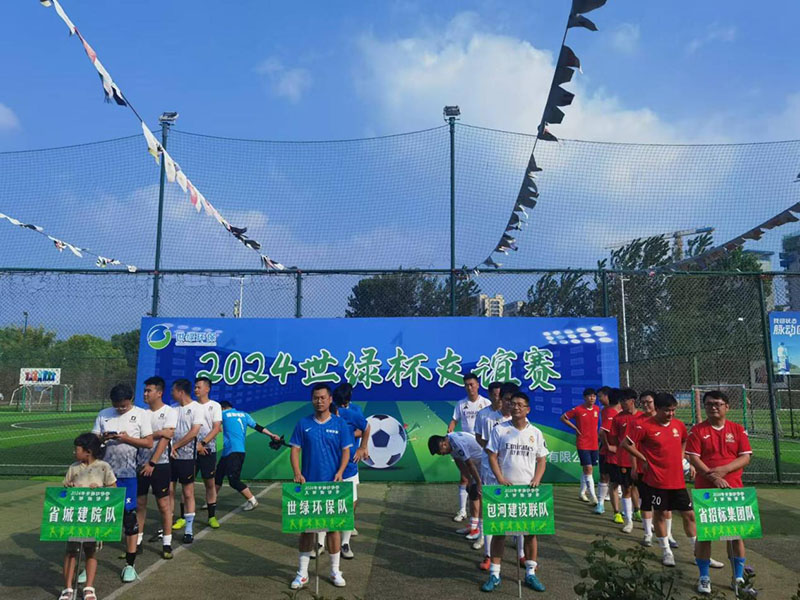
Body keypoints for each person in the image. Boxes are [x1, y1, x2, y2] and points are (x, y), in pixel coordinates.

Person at [685, 390, 753, 596]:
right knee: (705, 535)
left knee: (736, 535)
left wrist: (724, 470)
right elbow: (694, 458)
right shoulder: (697, 431)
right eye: (709, 404)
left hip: (733, 490)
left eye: (718, 404)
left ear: (727, 407)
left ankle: (738, 577)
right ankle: (704, 577)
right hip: (707, 492)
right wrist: (714, 478)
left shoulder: (737, 429)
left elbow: (745, 457)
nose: (713, 407)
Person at [481, 392, 549, 593]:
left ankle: (531, 573)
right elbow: (492, 456)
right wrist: (500, 478)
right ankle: (495, 574)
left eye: (520, 404)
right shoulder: (500, 429)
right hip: (504, 490)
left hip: (528, 490)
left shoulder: (535, 433)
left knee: (530, 533)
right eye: (513, 404)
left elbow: (542, 459)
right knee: (500, 533)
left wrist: (537, 479)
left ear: (528, 409)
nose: (516, 407)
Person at [289, 383, 354, 590]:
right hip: (308, 485)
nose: (319, 401)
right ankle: (302, 574)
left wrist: (341, 471)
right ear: (312, 400)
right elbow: (295, 450)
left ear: (330, 399)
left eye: (323, 397)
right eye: (316, 398)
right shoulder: (303, 423)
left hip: (332, 486)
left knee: (333, 529)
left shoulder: (340, 424)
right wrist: (297, 472)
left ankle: (335, 571)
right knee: (307, 530)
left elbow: (346, 451)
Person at [622, 392, 696, 567]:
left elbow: (684, 440)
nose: (671, 414)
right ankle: (666, 551)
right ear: (658, 409)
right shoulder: (644, 426)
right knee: (660, 514)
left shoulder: (678, 425)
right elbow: (625, 444)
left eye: (673, 410)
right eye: (667, 410)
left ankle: (698, 552)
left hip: (677, 480)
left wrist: (682, 457)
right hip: (657, 480)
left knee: (689, 515)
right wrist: (643, 459)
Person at [91, 383, 153, 583]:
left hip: (127, 474)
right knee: (97, 517)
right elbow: (92, 442)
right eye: (116, 405)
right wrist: (103, 438)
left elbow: (148, 442)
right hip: (102, 474)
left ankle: (130, 565)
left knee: (129, 518)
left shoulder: (141, 414)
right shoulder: (104, 414)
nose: (119, 408)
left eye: (123, 406)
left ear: (131, 400)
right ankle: (89, 564)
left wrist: (126, 439)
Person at [60, 433, 116, 600]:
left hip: (93, 517)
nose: (74, 452)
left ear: (88, 451)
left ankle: (89, 587)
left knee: (90, 551)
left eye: (77, 449)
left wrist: (100, 490)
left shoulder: (103, 467)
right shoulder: (74, 468)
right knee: (71, 551)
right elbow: (62, 492)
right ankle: (67, 588)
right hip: (76, 516)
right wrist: (68, 487)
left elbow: (113, 489)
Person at [136, 376, 177, 559]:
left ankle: (167, 543)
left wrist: (152, 462)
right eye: (144, 391)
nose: (145, 394)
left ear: (159, 393)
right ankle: (137, 541)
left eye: (148, 391)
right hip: (140, 464)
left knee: (163, 504)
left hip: (160, 465)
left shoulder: (169, 412)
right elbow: (140, 438)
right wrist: (158, 433)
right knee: (140, 503)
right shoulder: (142, 413)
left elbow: (165, 439)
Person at [216, 400, 281, 511]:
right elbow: (258, 427)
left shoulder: (223, 414)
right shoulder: (244, 415)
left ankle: (252, 500)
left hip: (233, 452)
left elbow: (215, 427)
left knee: (233, 481)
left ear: (222, 408)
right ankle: (211, 501)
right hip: (234, 452)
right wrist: (271, 435)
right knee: (218, 477)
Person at [331, 383, 370, 560]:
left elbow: (364, 429)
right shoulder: (327, 412)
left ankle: (345, 542)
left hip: (350, 463)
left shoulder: (354, 411)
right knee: (328, 502)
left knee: (350, 501)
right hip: (330, 464)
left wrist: (362, 447)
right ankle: (321, 542)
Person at [428, 430, 484, 546]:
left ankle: (482, 533)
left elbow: (469, 464)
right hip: (474, 463)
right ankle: (473, 526)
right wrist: (469, 481)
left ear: (443, 444)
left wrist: (478, 482)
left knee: (480, 495)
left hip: (483, 463)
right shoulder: (449, 443)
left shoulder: (457, 443)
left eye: (440, 452)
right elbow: (459, 463)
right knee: (472, 492)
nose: (442, 454)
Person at [448, 373, 491, 522]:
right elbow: (454, 420)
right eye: (466, 385)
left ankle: (483, 516)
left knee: (481, 481)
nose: (469, 387)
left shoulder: (486, 403)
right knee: (465, 477)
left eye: (472, 384)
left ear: (478, 385)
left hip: (481, 446)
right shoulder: (461, 404)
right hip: (465, 445)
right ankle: (462, 511)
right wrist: (450, 430)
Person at [474, 381, 506, 567]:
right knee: (489, 509)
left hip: (509, 467)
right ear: (490, 395)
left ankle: (521, 553)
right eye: (494, 395)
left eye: (500, 395)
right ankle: (487, 554)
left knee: (513, 509)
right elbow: (478, 436)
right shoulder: (483, 414)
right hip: (488, 466)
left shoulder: (511, 416)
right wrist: (489, 449)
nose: (497, 398)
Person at [169, 378, 204, 544]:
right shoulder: (172, 409)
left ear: (180, 392)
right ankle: (167, 527)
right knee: (169, 491)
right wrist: (170, 448)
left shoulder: (197, 408)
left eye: (173, 390)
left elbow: (194, 432)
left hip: (188, 457)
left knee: (188, 493)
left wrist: (175, 446)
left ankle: (189, 529)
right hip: (170, 457)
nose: (171, 393)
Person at [607, 388, 639, 533]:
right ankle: (629, 521)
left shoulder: (643, 417)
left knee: (642, 489)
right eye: (621, 401)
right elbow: (614, 439)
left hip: (641, 460)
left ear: (632, 401)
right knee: (627, 489)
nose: (622, 403)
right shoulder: (618, 419)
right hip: (624, 460)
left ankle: (646, 519)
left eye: (624, 400)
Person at [560, 387, 600, 505]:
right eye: (589, 396)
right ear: (584, 397)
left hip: (594, 443)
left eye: (594, 396)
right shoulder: (578, 409)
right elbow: (563, 418)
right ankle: (593, 497)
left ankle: (582, 493)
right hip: (583, 443)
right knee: (588, 468)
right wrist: (575, 428)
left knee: (587, 469)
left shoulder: (597, 409)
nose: (592, 398)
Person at [194, 377, 223, 528]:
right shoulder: (192, 406)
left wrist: (202, 444)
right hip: (190, 451)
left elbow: (216, 428)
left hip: (208, 450)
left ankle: (211, 516)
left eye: (199, 387)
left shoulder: (215, 406)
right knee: (187, 484)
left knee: (209, 483)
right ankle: (184, 517)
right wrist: (195, 446)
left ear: (207, 389)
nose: (196, 390)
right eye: (195, 387)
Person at [595, 387, 621, 520]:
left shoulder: (621, 412)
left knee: (622, 482)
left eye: (601, 396)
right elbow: (602, 432)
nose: (599, 399)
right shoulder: (607, 411)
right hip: (607, 451)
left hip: (621, 453)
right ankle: (600, 503)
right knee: (605, 477)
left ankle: (629, 510)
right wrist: (608, 446)